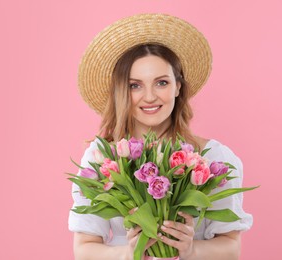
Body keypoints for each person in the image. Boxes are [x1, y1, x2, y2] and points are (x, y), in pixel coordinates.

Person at [69, 14, 253, 260]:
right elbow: (83, 249)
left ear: (178, 86)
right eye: (135, 85)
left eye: (161, 83)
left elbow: (231, 247)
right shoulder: (101, 158)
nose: (149, 97)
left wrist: (190, 249)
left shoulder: (213, 158)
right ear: (122, 91)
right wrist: (129, 253)